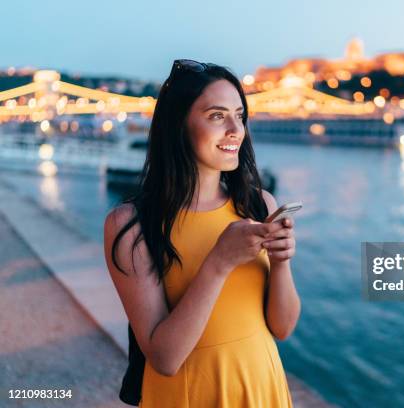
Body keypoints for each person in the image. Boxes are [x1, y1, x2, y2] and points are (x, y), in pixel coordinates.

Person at [103, 59, 301, 407]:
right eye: (216, 115)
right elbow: (164, 358)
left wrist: (281, 262)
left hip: (261, 385)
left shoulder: (259, 204)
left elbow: (282, 328)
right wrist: (218, 263)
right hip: (187, 394)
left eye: (239, 115)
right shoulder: (131, 225)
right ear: (178, 125)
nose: (235, 129)